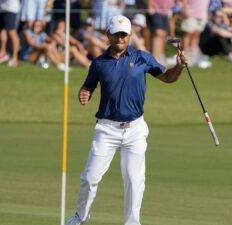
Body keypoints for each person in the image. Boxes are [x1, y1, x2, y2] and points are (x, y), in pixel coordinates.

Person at [65, 15, 188, 225]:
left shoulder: (142, 57)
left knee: (134, 180)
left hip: (135, 129)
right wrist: (84, 93)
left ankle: (132, 223)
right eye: (116, 34)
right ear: (108, 35)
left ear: (130, 35)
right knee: (89, 177)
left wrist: (179, 67)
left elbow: (167, 77)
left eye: (124, 35)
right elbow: (88, 86)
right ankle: (80, 217)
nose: (120, 38)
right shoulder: (99, 63)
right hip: (106, 129)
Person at [0, 0, 20, 67]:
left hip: (11, 9)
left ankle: (15, 58)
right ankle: (3, 53)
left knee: (12, 32)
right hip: (2, 8)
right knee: (0, 29)